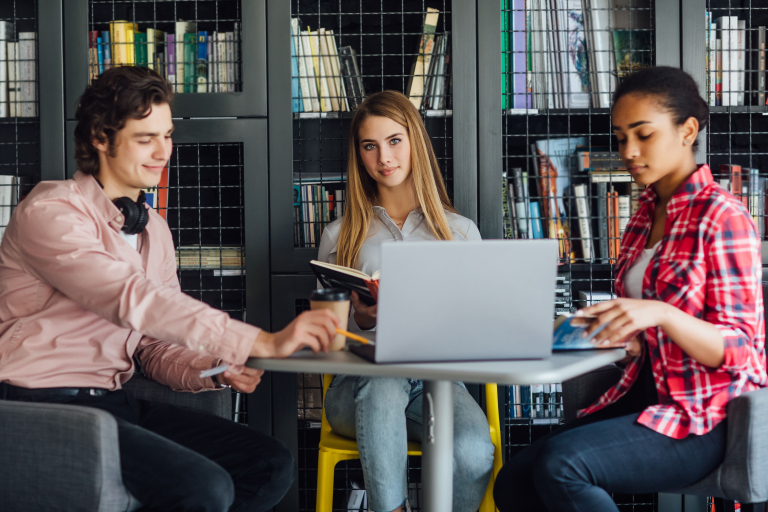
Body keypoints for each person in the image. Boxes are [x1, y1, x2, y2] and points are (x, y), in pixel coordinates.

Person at [0, 66, 340, 512]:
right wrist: (261, 340)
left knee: (268, 464)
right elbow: (132, 300)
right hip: (37, 406)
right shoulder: (51, 212)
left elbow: (152, 346)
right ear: (101, 138)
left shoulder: (153, 229)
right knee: (203, 488)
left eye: (167, 136)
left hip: (113, 401)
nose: (163, 152)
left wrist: (217, 366)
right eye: (146, 139)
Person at [493, 66, 767, 511]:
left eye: (643, 135)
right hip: (643, 394)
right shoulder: (642, 215)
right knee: (514, 482)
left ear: (687, 131)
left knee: (563, 466)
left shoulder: (723, 216)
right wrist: (610, 329)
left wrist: (661, 314)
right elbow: (645, 325)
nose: (629, 151)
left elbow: (742, 351)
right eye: (621, 138)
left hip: (705, 417)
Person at [316, 90, 495, 512]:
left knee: (472, 451)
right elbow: (324, 340)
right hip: (355, 386)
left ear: (415, 141)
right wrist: (357, 318)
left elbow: (483, 326)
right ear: (359, 155)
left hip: (437, 383)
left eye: (395, 140)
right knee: (383, 382)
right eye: (370, 145)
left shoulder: (460, 232)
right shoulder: (338, 235)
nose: (384, 157)